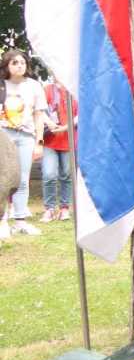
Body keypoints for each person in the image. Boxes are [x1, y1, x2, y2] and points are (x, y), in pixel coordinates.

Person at [1, 50, 46, 237]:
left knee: (23, 178)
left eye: (22, 62)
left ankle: (20, 220)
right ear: (7, 66)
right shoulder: (2, 85)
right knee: (4, 178)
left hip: (26, 136)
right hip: (4, 135)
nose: (19, 66)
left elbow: (39, 115)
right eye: (15, 62)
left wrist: (39, 142)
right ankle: (3, 220)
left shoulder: (34, 86)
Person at [39, 77, 73, 224]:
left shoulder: (73, 90)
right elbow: (39, 110)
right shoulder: (47, 89)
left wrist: (65, 127)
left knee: (67, 175)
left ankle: (65, 207)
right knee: (49, 174)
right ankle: (49, 209)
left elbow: (80, 113)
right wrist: (50, 123)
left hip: (68, 140)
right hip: (49, 140)